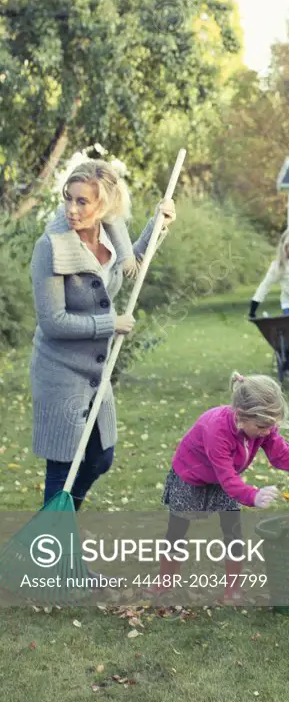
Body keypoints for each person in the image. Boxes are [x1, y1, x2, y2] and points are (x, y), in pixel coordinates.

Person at [30, 159, 176, 509]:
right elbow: (53, 321)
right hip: (60, 371)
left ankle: (53, 535)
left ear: (105, 206)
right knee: (63, 469)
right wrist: (110, 325)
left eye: (83, 202)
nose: (72, 209)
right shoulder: (51, 246)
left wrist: (158, 225)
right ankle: (54, 553)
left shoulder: (112, 234)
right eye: (69, 198)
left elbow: (130, 268)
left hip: (96, 372)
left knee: (100, 456)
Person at [155, 372, 289, 601]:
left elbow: (281, 454)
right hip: (190, 476)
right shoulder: (216, 430)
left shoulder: (261, 426)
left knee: (233, 530)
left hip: (225, 479)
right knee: (178, 529)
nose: (267, 431)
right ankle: (165, 582)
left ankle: (233, 589)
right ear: (240, 416)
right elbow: (227, 478)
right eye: (262, 426)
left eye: (271, 426)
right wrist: (253, 496)